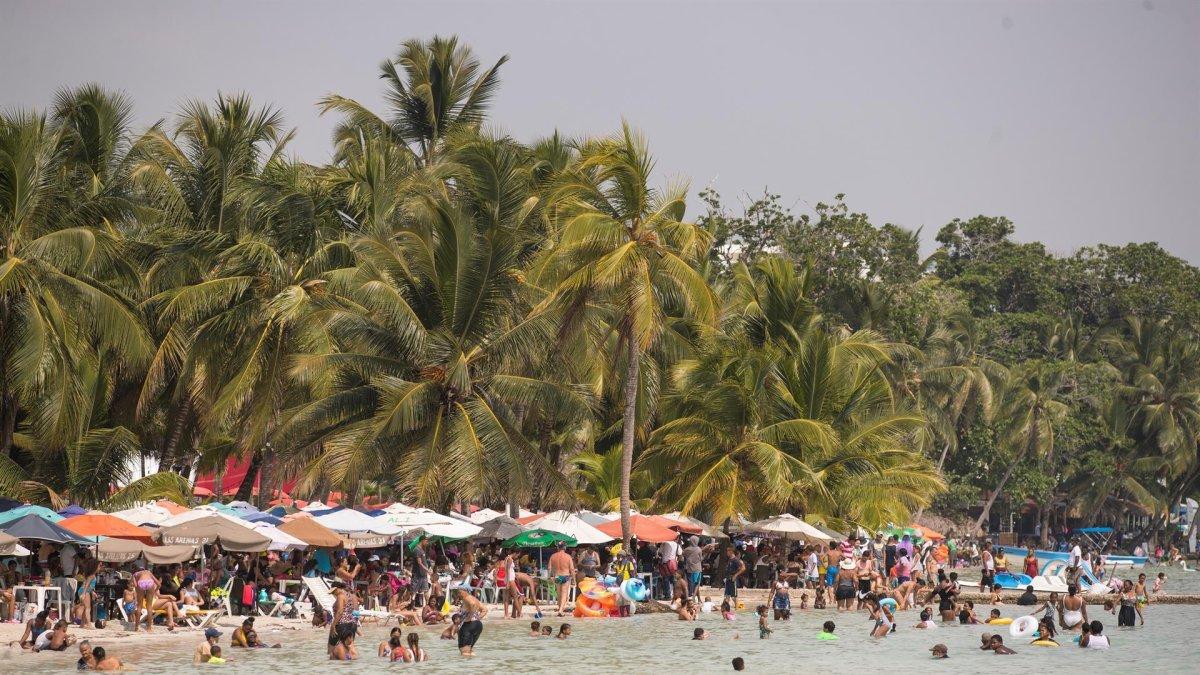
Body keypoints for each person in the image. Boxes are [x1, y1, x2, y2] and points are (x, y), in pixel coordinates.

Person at [456, 586, 486, 657]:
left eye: (460, 592)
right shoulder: (475, 599)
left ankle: (465, 667)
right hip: (477, 625)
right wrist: (477, 618)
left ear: (465, 591)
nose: (458, 594)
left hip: (468, 625)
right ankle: (473, 666)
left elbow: (472, 604)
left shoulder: (467, 598)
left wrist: (469, 617)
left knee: (464, 651)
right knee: (469, 650)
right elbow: (485, 610)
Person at [547, 542, 575, 617]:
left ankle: (560, 609)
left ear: (558, 547)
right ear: (565, 547)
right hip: (565, 576)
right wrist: (574, 580)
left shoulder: (553, 556)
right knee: (564, 594)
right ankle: (560, 610)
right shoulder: (568, 556)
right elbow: (572, 569)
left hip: (557, 576)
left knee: (559, 594)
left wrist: (549, 577)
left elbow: (549, 568)